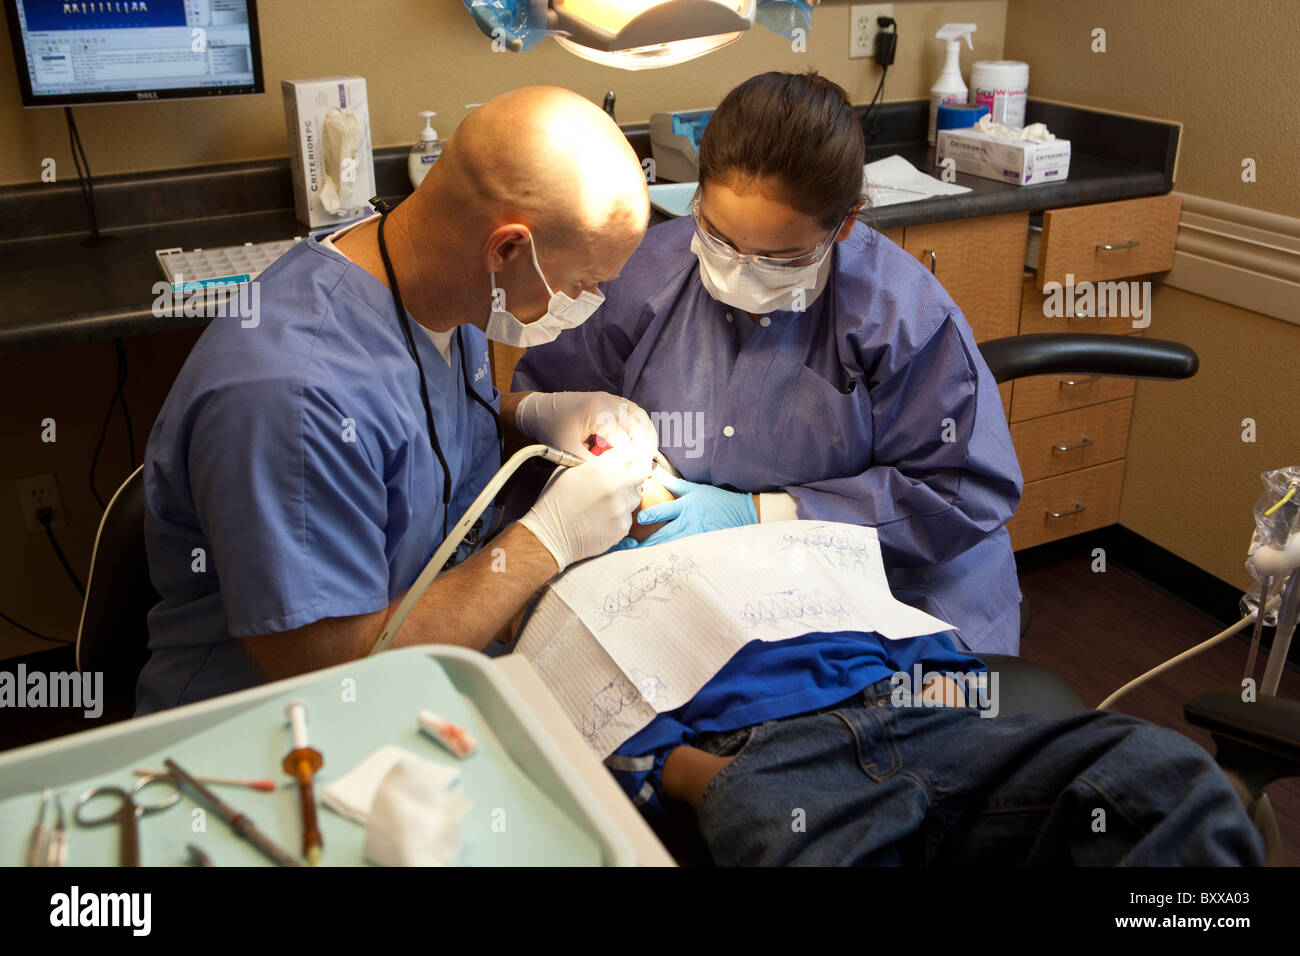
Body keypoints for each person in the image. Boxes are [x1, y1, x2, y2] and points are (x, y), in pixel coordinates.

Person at [509, 72, 1265, 865]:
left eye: (780, 255)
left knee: (1174, 785)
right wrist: (577, 439)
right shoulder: (640, 277)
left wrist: (758, 514)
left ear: (845, 226)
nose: (741, 270)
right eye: (721, 240)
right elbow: (540, 435)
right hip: (758, 722)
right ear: (695, 199)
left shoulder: (900, 312)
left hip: (903, 645)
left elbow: (960, 491)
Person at [136, 86, 657, 715]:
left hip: (430, 677)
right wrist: (545, 541)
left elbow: (413, 426)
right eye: (583, 283)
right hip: (272, 735)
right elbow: (336, 678)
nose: (587, 303)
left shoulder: (437, 284)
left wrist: (531, 416)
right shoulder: (292, 400)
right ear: (508, 249)